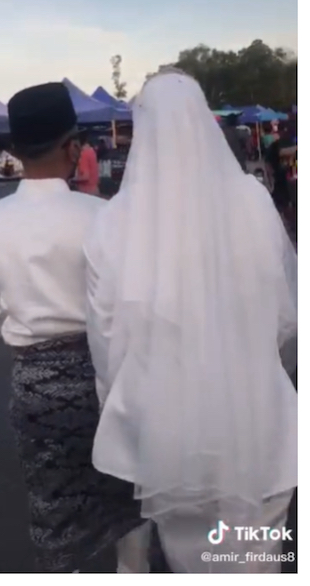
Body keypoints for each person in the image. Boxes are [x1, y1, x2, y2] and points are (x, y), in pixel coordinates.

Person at [84, 69, 297, 573]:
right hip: (260, 415)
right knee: (257, 559)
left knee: (192, 562)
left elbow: (105, 338)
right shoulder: (253, 200)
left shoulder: (113, 221)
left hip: (167, 432)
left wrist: (128, 412)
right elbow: (286, 313)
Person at [0, 83, 148, 573]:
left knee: (53, 504)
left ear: (14, 151)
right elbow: (129, 303)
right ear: (73, 149)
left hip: (35, 387)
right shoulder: (104, 216)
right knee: (127, 498)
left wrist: (31, 339)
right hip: (108, 379)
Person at [75, 131, 100, 195]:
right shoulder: (92, 152)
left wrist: (73, 180)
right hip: (94, 189)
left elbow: (85, 176)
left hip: (86, 192)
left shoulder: (84, 154)